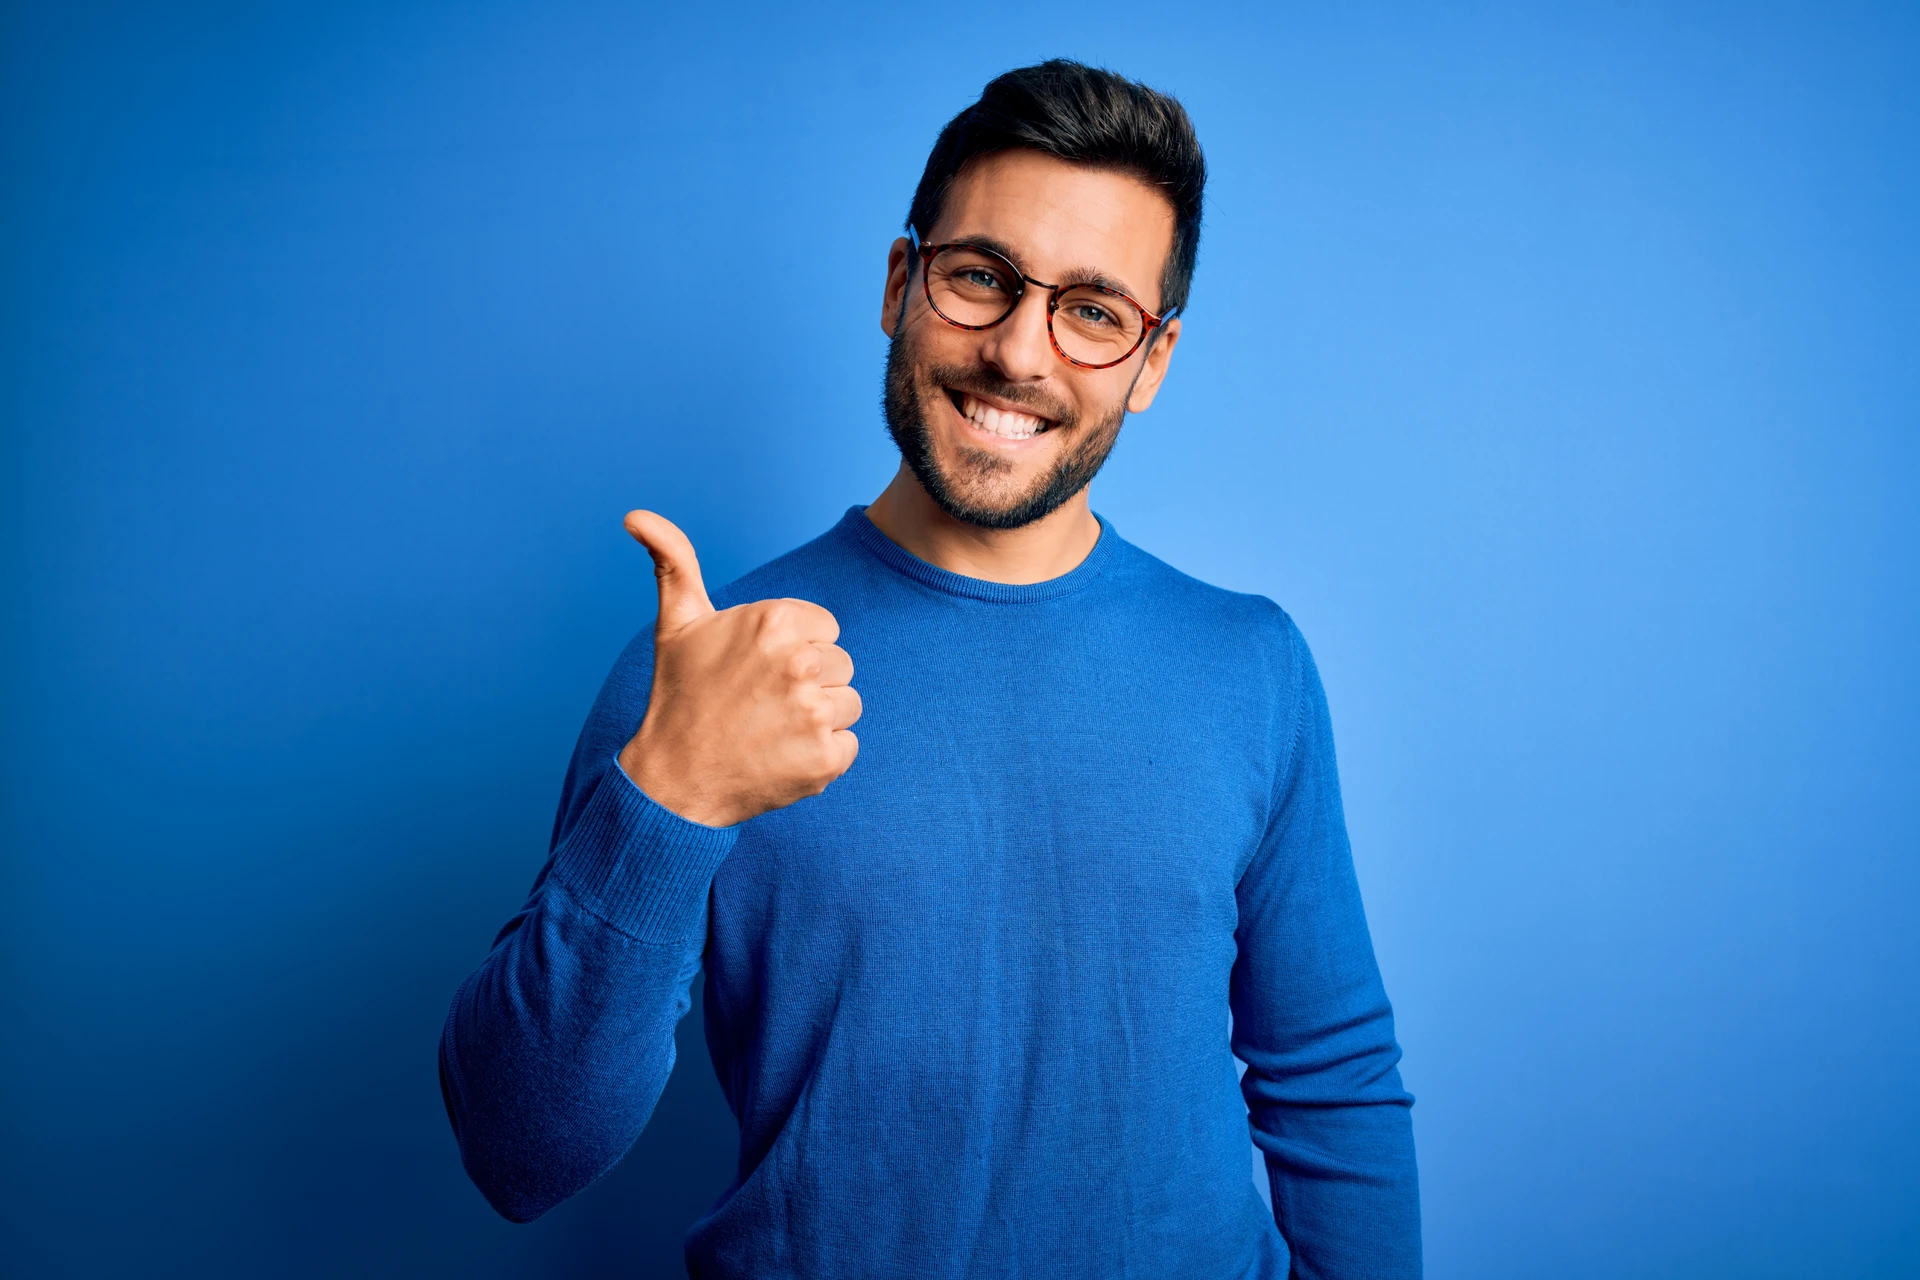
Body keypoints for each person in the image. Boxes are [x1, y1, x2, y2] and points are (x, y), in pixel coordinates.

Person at [440, 59, 1421, 1279]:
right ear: (904, 281)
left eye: (1094, 311)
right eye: (980, 278)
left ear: (1152, 359)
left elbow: (1332, 1083)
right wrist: (667, 798)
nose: (1020, 352)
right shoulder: (708, 669)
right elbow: (517, 1152)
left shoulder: (1252, 666)